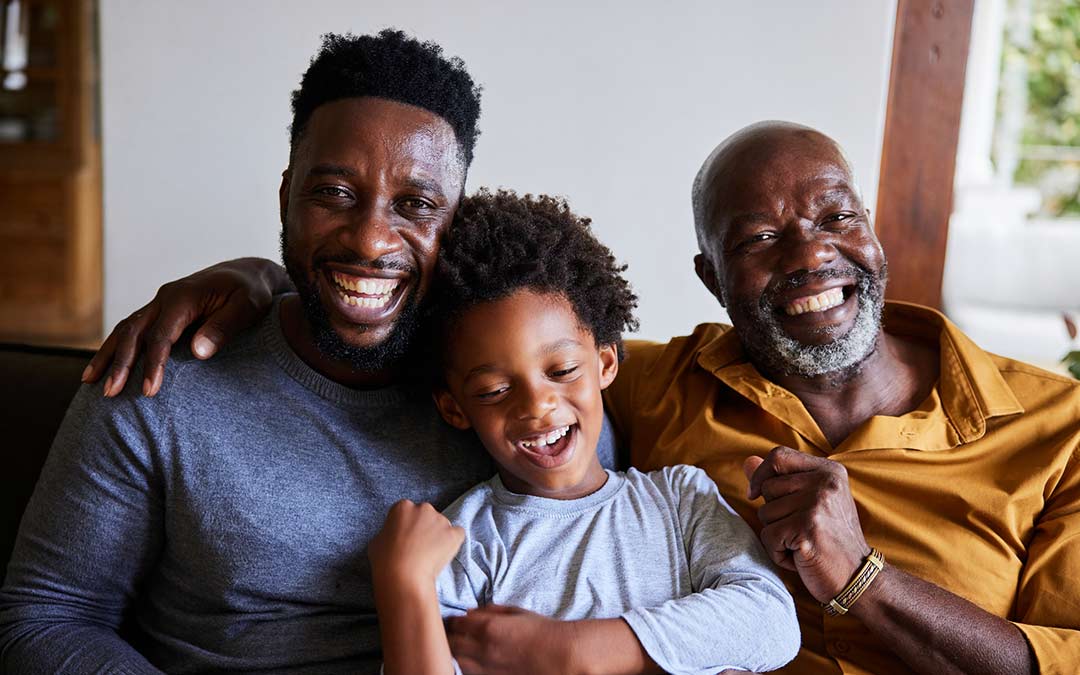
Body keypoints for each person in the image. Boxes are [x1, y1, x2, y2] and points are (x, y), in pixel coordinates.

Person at [85, 121, 1080, 674]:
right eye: (759, 238)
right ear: (709, 278)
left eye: (834, 217)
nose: (810, 253)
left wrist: (860, 577)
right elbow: (449, 334)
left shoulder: (1053, 427)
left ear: (872, 229)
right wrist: (260, 282)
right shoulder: (649, 380)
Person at [0, 29, 530, 673]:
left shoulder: (515, 399)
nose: (369, 240)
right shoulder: (160, 378)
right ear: (285, 198)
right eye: (333, 194)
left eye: (415, 204)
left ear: (457, 220)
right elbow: (46, 617)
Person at [369, 189, 799, 675]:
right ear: (454, 407)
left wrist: (572, 648)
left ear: (606, 363)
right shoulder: (464, 544)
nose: (537, 405)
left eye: (563, 370)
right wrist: (402, 583)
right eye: (493, 390)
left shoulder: (680, 501)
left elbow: (772, 622)